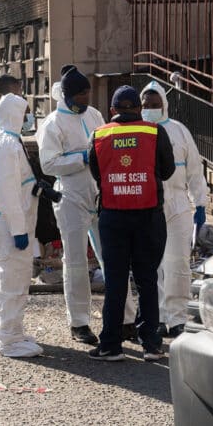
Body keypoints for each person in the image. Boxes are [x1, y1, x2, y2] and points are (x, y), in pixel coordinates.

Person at [36, 66, 136, 346]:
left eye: (87, 93)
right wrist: (83, 157)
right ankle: (79, 322)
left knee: (114, 258)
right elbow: (48, 164)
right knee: (77, 261)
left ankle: (126, 319)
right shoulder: (52, 123)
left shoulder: (94, 116)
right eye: (80, 95)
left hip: (101, 194)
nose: (85, 99)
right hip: (71, 196)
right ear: (67, 96)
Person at [87, 85, 174, 362]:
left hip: (113, 215)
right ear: (139, 107)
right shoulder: (154, 131)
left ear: (112, 110)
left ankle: (110, 345)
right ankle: (151, 344)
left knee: (115, 282)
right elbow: (168, 170)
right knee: (147, 279)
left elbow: (96, 172)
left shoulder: (99, 135)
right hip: (148, 214)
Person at [140, 81, 209, 338]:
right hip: (148, 205)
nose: (150, 109)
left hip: (178, 203)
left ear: (164, 106)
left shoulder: (179, 131)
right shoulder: (138, 131)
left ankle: (177, 317)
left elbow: (194, 168)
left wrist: (200, 201)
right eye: (146, 105)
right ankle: (156, 316)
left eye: (155, 105)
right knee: (152, 264)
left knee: (178, 262)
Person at [0, 93, 41, 358]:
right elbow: (7, 193)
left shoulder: (3, 140)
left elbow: (15, 184)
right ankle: (10, 339)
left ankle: (0, 328)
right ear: (16, 115)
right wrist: (19, 230)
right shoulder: (6, 145)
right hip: (8, 224)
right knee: (13, 280)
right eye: (26, 113)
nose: (28, 118)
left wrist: (34, 188)